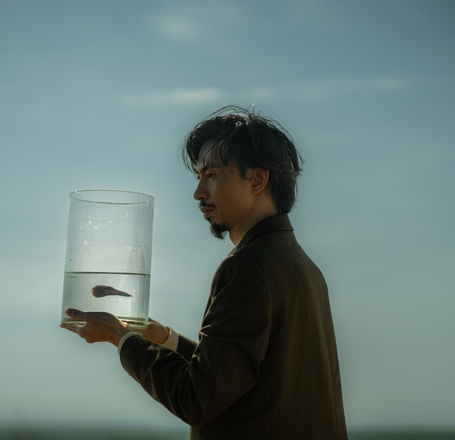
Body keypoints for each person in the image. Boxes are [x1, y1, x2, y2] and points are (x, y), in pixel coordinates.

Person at [61, 106, 349, 439]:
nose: (198, 192)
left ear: (257, 179)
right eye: (198, 176)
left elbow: (197, 399)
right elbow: (231, 377)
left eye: (211, 175)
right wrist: (165, 339)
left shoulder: (247, 267)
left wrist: (120, 337)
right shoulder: (302, 266)